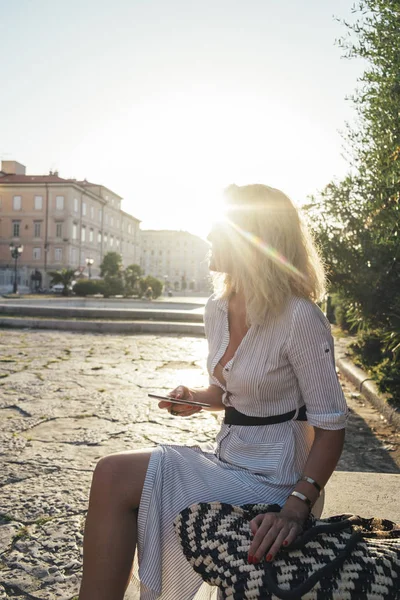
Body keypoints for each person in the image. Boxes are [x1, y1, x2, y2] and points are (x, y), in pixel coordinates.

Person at [78, 184, 348, 600]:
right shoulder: (217, 309)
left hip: (279, 482)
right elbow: (229, 392)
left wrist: (296, 505)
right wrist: (196, 398)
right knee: (114, 475)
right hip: (230, 463)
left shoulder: (300, 317)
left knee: (113, 474)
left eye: (220, 227)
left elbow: (331, 428)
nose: (208, 235)